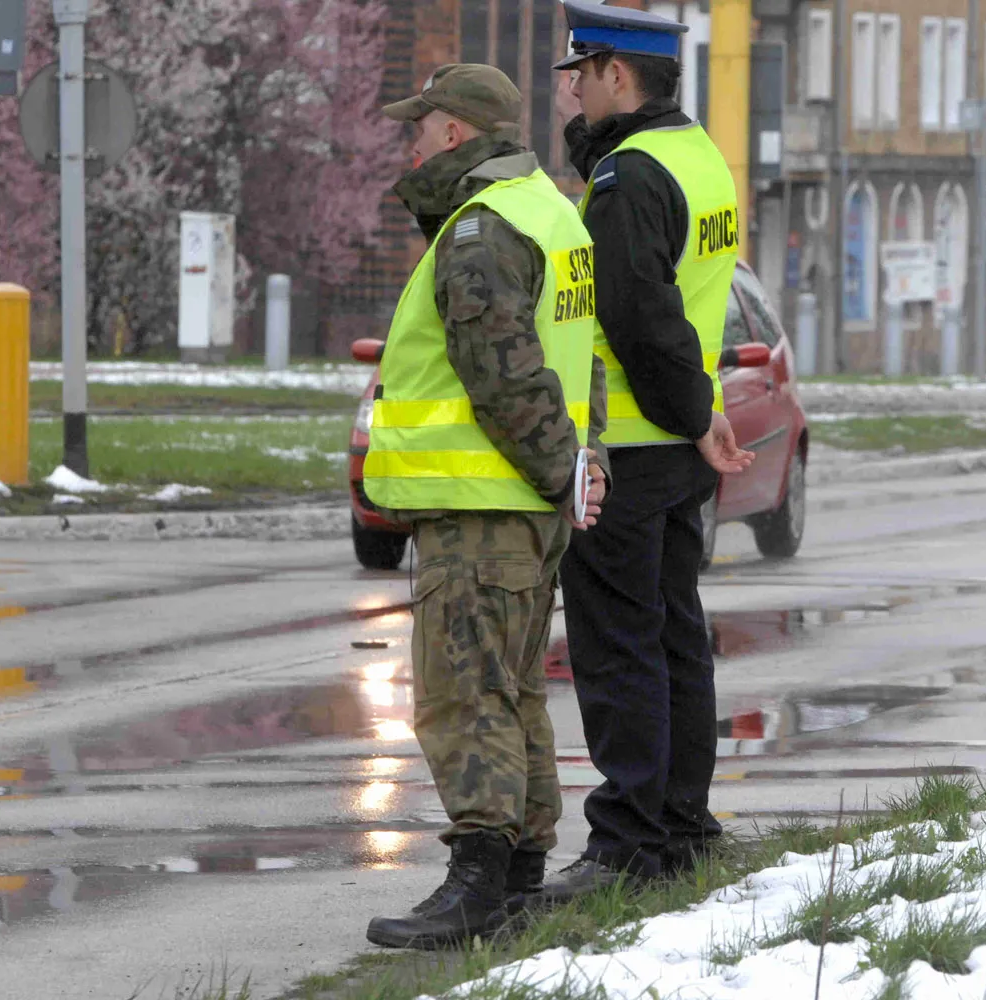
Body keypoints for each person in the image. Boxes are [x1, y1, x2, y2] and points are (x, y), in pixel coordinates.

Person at [362, 62, 609, 948]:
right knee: (510, 695)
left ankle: (477, 883)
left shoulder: (481, 231)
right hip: (528, 505)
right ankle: (515, 878)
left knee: (463, 695)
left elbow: (506, 378)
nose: (411, 141)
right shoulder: (551, 212)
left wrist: (555, 469)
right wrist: (582, 465)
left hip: (486, 507)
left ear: (456, 133)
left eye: (419, 126)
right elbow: (582, 359)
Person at [545, 0, 753, 898]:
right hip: (674, 446)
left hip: (628, 446)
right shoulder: (701, 157)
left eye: (579, 75)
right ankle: (681, 824)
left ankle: (628, 842)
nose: (572, 95)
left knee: (619, 645)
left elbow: (637, 318)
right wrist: (699, 414)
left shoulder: (628, 179)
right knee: (675, 639)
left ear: (615, 75)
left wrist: (691, 409)